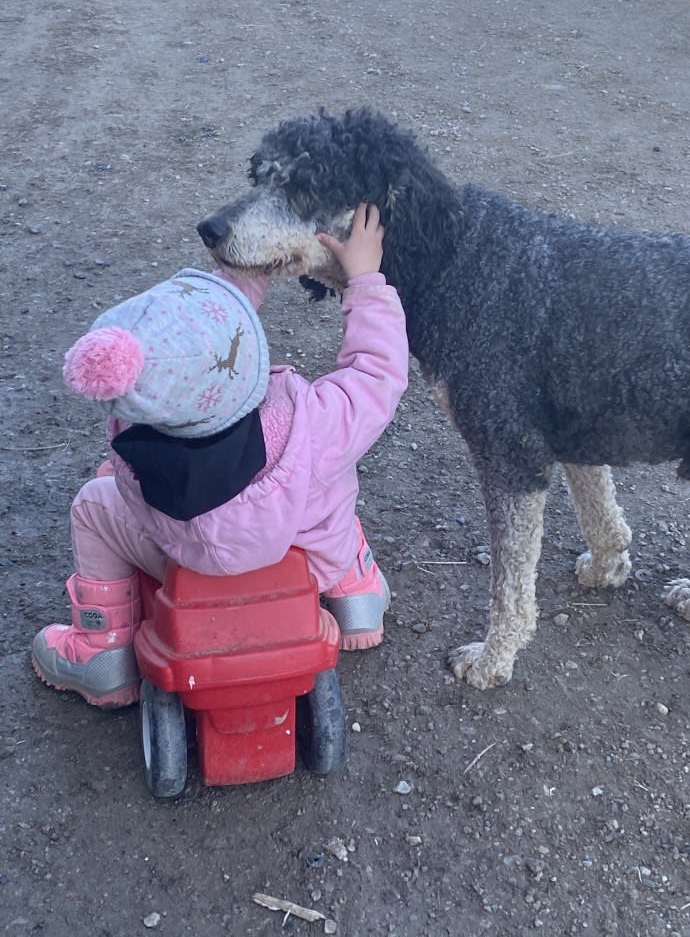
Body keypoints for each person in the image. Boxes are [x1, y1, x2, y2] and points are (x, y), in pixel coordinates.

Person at [32, 204, 409, 708]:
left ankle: (102, 650)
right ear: (243, 355)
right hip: (307, 559)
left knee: (94, 503)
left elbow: (207, 336)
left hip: (182, 557)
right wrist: (364, 279)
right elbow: (376, 373)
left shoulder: (132, 432)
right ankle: (355, 589)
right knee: (328, 473)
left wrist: (249, 266)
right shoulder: (311, 423)